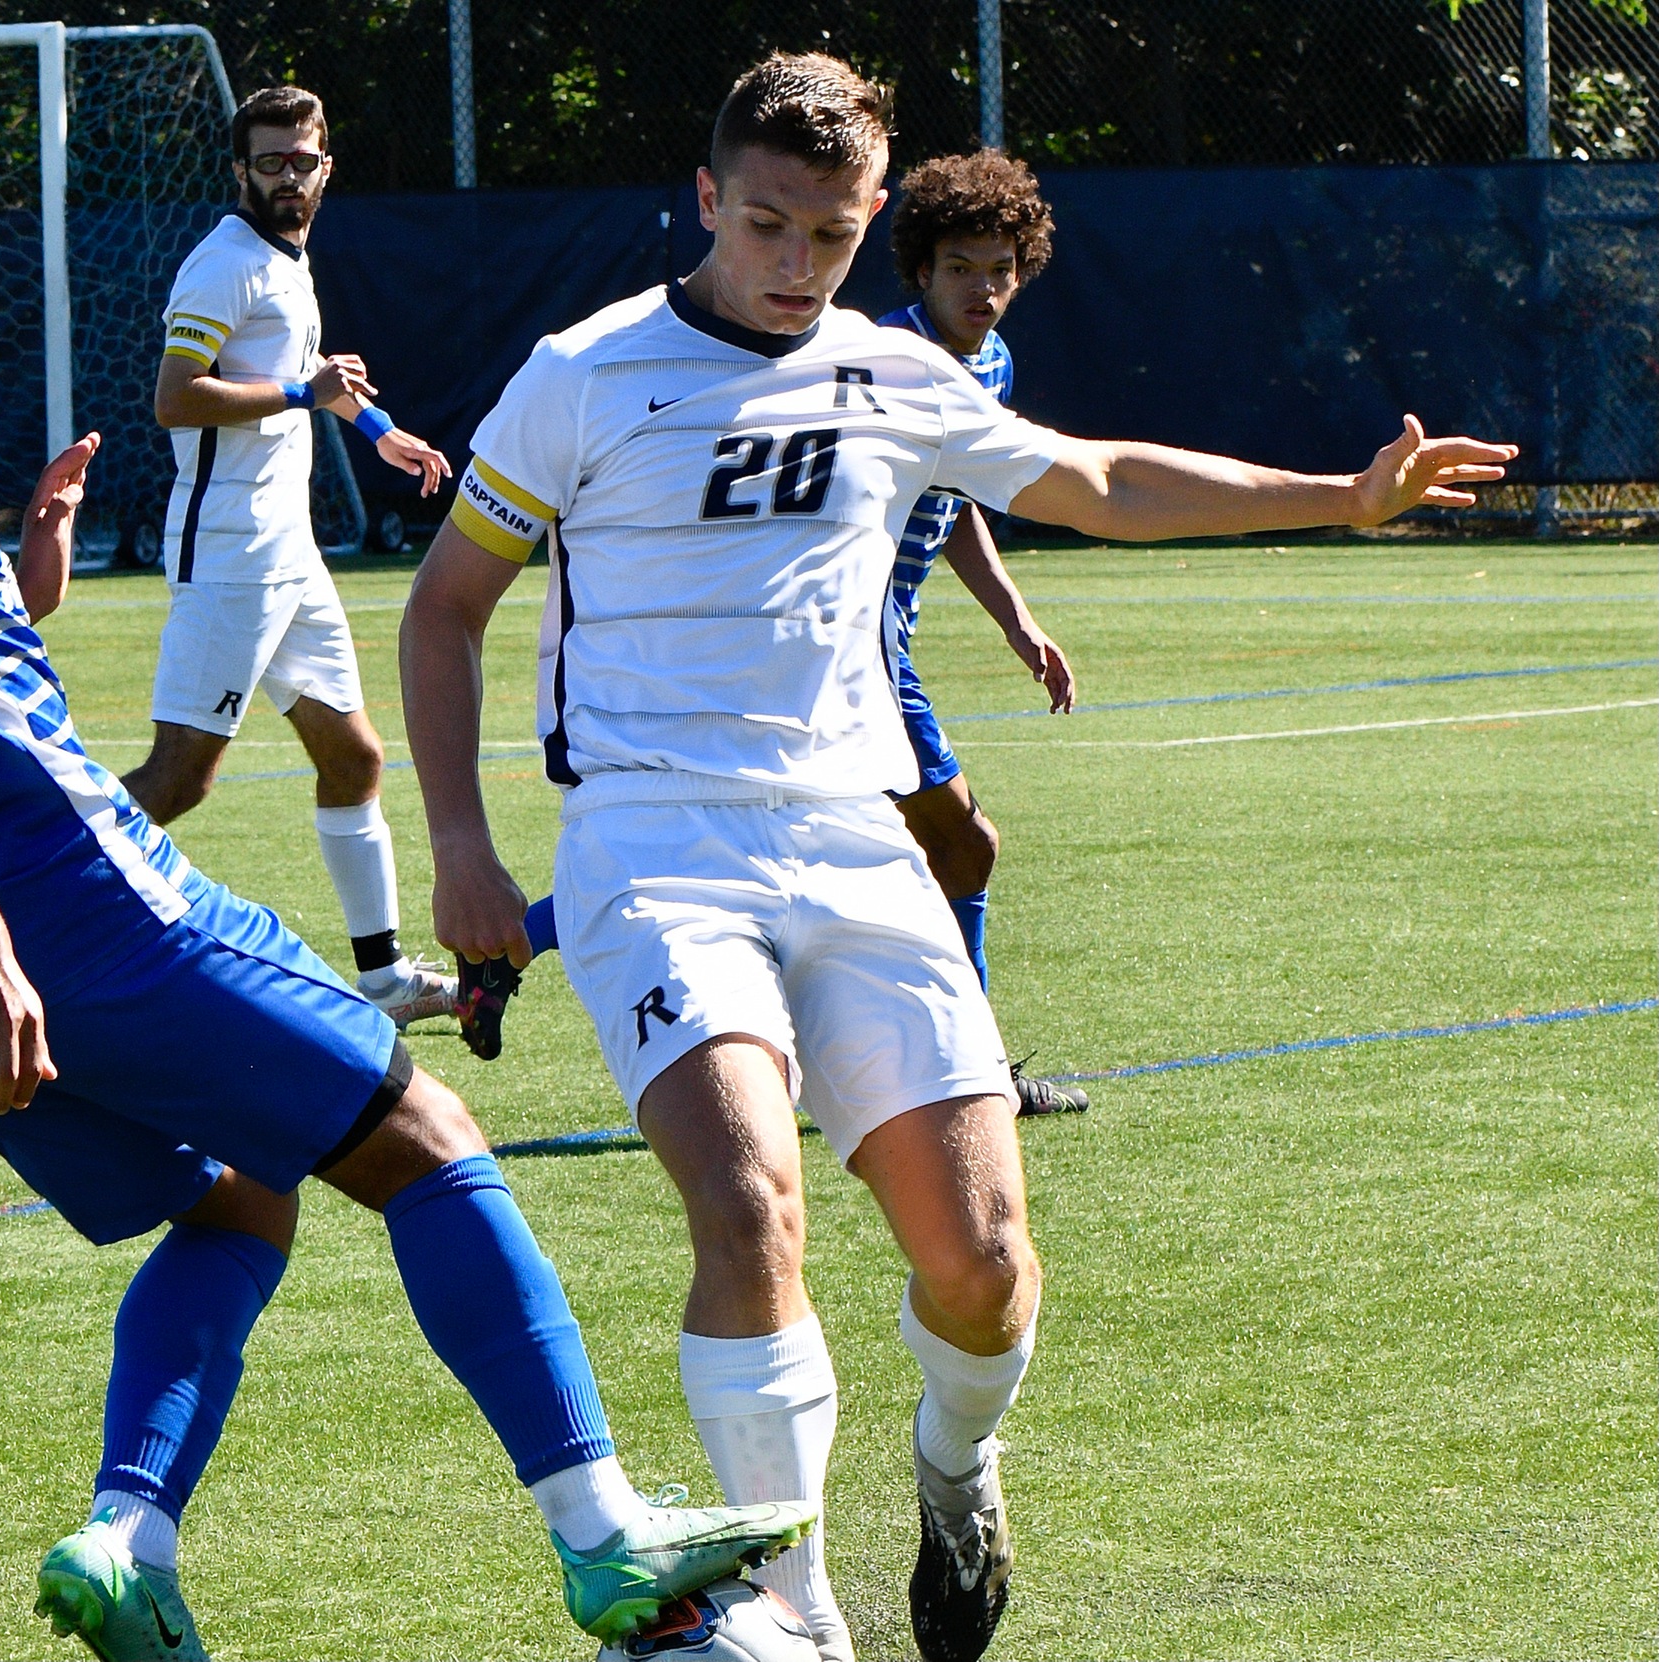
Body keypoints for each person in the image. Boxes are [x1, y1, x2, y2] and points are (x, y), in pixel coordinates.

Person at [400, 53, 1511, 1662]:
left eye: (831, 236)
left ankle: (954, 1463)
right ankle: (793, 1608)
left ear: (867, 227)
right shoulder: (582, 375)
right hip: (654, 838)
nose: (795, 265)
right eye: (766, 224)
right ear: (707, 200)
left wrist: (1339, 493)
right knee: (747, 1201)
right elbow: (447, 606)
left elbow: (1096, 478)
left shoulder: (894, 373)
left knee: (983, 1263)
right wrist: (460, 846)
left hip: (856, 840)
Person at [0, 134, 813, 1662]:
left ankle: (126, 1536)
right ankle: (603, 1536)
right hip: (75, 919)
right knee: (428, 1140)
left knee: (233, 1198)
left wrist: (26, 570)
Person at [123, 84, 456, 1029]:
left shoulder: (289, 262)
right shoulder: (223, 264)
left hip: (287, 552)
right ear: (241, 171)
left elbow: (309, 381)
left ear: (324, 165)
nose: (285, 178)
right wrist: (307, 393)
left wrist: (378, 427)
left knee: (352, 758)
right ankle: (20, 907)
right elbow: (179, 396)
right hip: (230, 551)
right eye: (267, 162)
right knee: (181, 779)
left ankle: (385, 981)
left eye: (299, 161)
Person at [877, 150, 1086, 1119]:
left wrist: (1017, 619)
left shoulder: (991, 363)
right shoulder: (886, 363)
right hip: (849, 648)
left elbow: (958, 504)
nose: (984, 288)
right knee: (965, 850)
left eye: (1001, 268)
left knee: (754, 855)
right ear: (921, 268)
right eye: (962, 266)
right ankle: (974, 1076)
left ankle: (508, 949)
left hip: (885, 643)